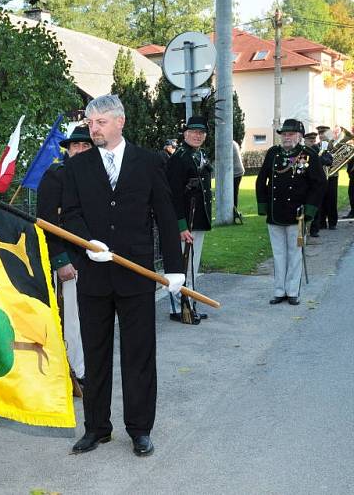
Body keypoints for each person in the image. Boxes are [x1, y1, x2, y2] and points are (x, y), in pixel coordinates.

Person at [61, 95, 184, 458]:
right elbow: (70, 213)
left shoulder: (148, 162)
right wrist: (87, 244)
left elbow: (164, 212)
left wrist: (174, 268)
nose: (92, 128)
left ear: (120, 122)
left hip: (136, 276)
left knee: (139, 355)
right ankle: (97, 428)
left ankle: (140, 429)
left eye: (99, 122)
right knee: (96, 355)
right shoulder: (78, 166)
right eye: (90, 122)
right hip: (95, 277)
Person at [36, 125, 93, 390]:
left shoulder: (101, 175)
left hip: (95, 259)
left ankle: (89, 365)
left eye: (85, 146)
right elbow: (47, 222)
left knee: (93, 316)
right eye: (75, 146)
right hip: (70, 259)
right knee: (73, 317)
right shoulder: (55, 176)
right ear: (68, 150)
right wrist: (60, 261)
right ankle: (77, 370)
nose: (80, 150)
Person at [256, 119, 326, 306]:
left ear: (300, 136)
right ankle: (279, 291)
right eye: (284, 134)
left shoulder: (309, 154)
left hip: (298, 214)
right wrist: (263, 206)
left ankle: (293, 291)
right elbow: (261, 179)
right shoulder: (273, 153)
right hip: (275, 213)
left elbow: (319, 184)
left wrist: (310, 210)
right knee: (278, 254)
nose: (286, 137)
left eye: (291, 134)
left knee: (295, 253)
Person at [166, 116, 213, 323]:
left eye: (201, 133)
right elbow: (173, 195)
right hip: (186, 222)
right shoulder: (179, 157)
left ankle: (189, 304)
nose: (197, 135)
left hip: (198, 219)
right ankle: (179, 308)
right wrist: (181, 225)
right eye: (193, 132)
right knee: (182, 266)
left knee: (192, 266)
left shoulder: (198, 154)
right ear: (185, 134)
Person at [303, 131, 333, 238]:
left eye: (313, 141)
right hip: (305, 183)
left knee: (316, 206)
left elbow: (329, 160)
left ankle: (314, 229)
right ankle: (304, 228)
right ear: (305, 141)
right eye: (310, 141)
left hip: (317, 183)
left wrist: (318, 158)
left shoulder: (318, 150)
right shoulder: (302, 151)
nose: (312, 143)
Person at [315, 125, 339, 231]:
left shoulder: (334, 145)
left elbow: (339, 159)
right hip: (320, 176)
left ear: (328, 133)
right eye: (319, 133)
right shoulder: (316, 146)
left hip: (332, 175)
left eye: (323, 133)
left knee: (332, 198)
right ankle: (322, 222)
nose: (321, 135)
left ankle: (332, 222)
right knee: (321, 199)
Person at [232, 137, 245, 224]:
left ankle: (234, 212)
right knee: (234, 193)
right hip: (238, 171)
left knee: (233, 193)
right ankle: (234, 212)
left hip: (235, 172)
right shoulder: (233, 142)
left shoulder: (229, 144)